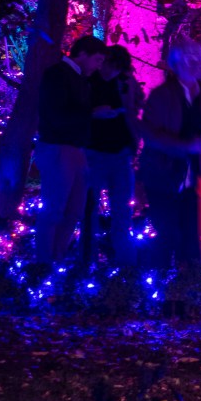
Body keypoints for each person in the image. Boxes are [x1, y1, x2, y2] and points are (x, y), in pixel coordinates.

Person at [138, 38, 201, 268]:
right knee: (168, 233)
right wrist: (187, 146)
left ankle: (188, 286)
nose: (194, 64)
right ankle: (158, 280)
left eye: (198, 59)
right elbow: (152, 135)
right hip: (162, 173)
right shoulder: (161, 95)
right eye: (188, 60)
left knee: (190, 233)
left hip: (196, 172)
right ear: (176, 65)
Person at [35, 34, 104, 261]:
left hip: (75, 149)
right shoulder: (57, 75)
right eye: (96, 60)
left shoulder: (80, 79)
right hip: (57, 147)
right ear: (82, 54)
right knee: (55, 209)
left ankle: (57, 257)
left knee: (74, 210)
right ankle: (44, 262)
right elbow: (56, 114)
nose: (98, 66)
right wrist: (91, 114)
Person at [82, 45, 142, 264]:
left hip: (120, 152)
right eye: (108, 65)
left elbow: (135, 109)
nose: (110, 70)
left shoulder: (125, 83)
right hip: (93, 151)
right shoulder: (89, 81)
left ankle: (126, 263)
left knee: (123, 210)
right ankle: (88, 259)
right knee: (89, 209)